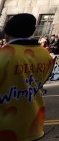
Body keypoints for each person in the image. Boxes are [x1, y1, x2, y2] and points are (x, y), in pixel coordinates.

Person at [0, 13, 55, 141]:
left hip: (5, 128)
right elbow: (42, 80)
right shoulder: (45, 54)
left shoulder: (3, 56)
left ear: (7, 32)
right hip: (33, 124)